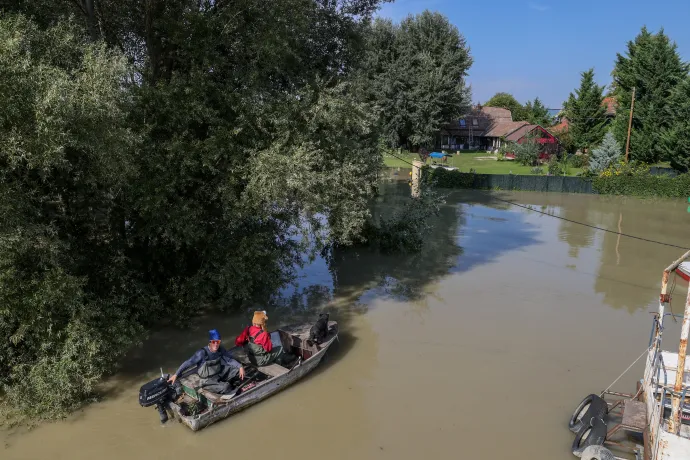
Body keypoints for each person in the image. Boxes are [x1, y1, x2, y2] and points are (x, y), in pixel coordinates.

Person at [168, 329, 245, 394]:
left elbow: (229, 359)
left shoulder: (220, 349)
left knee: (238, 372)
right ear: (210, 342)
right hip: (207, 380)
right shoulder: (202, 353)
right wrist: (176, 374)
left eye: (218, 342)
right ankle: (222, 386)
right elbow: (188, 363)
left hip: (219, 372)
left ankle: (230, 383)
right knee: (225, 387)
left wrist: (240, 366)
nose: (216, 344)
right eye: (213, 342)